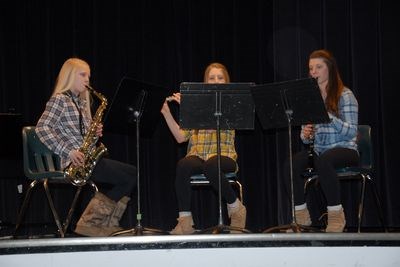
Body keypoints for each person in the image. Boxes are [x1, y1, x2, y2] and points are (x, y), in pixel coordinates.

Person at [35, 58, 137, 237]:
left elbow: (82, 137)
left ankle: (106, 223)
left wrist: (94, 133)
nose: (87, 80)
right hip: (73, 163)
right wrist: (68, 151)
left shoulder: (82, 104)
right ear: (69, 76)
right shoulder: (60, 100)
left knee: (132, 174)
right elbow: (42, 128)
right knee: (129, 176)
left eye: (89, 76)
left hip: (87, 158)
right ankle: (90, 221)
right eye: (82, 75)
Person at [161, 62, 246, 234]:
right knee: (183, 164)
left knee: (211, 166)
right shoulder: (196, 105)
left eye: (220, 78)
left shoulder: (232, 103)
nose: (215, 80)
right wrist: (166, 113)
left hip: (224, 156)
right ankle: (184, 222)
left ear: (226, 82)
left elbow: (213, 122)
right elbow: (180, 138)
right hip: (199, 155)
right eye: (211, 78)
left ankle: (236, 207)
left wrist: (190, 107)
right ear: (205, 82)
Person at [284, 49, 359, 232]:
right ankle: (301, 217)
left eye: (318, 67)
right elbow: (304, 138)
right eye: (311, 68)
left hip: (345, 148)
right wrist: (306, 133)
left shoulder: (345, 95)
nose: (314, 72)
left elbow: (352, 132)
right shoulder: (310, 97)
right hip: (320, 150)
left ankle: (335, 216)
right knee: (290, 165)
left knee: (324, 160)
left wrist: (328, 117)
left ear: (330, 69)